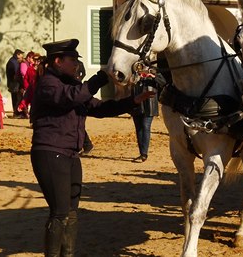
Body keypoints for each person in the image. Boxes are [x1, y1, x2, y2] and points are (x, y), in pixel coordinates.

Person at [30, 38, 155, 256]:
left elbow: (100, 108)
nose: (76, 64)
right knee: (59, 213)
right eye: (72, 60)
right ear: (58, 61)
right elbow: (69, 98)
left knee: (71, 212)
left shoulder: (72, 85)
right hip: (50, 153)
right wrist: (101, 77)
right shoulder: (48, 83)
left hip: (70, 154)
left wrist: (133, 102)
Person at [131, 72, 164, 163]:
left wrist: (154, 76)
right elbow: (126, 83)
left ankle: (144, 154)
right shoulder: (134, 72)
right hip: (136, 105)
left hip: (150, 105)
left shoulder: (154, 72)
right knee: (138, 128)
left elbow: (164, 83)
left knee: (145, 126)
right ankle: (142, 153)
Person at [17, 52, 41, 118]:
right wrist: (27, 87)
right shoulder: (30, 69)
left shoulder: (41, 68)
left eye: (38, 60)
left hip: (40, 90)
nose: (36, 62)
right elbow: (25, 79)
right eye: (35, 60)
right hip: (31, 89)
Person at [5, 48, 24, 118]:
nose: (22, 56)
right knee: (16, 99)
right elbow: (16, 74)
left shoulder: (13, 61)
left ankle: (18, 113)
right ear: (18, 54)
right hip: (14, 84)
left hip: (14, 84)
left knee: (17, 98)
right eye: (21, 54)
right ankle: (17, 114)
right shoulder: (13, 62)